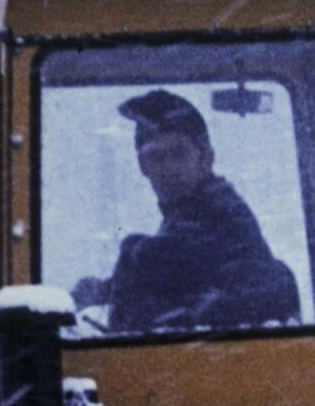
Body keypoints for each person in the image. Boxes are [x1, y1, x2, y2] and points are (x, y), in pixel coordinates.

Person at [91, 89, 300, 335]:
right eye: (155, 157)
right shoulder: (187, 216)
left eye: (179, 153)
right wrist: (102, 289)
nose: (168, 168)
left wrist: (130, 258)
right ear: (142, 166)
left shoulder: (223, 215)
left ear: (206, 159)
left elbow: (177, 259)